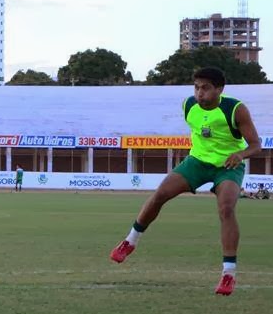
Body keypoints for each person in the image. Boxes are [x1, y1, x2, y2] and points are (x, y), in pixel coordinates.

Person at [110, 67, 261, 296]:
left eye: (206, 88)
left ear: (219, 89)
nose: (200, 93)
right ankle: (130, 241)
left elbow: (256, 144)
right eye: (197, 87)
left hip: (228, 165)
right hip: (197, 162)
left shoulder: (235, 109)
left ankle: (228, 273)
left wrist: (239, 155)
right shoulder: (188, 105)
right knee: (160, 194)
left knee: (226, 209)